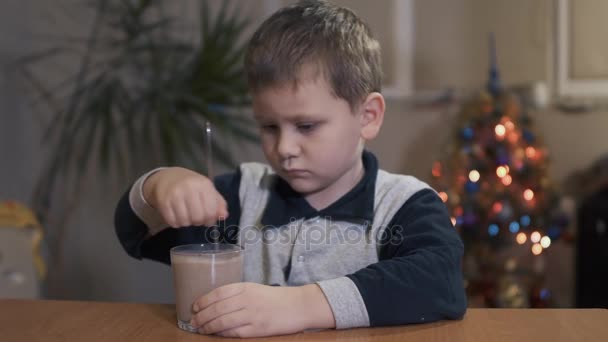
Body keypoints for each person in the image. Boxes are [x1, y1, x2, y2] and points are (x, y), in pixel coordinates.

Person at [114, 0, 466, 338]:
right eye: (269, 127)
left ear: (367, 117)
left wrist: (300, 305)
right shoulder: (240, 196)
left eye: (307, 126)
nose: (283, 149)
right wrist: (157, 188)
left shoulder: (404, 204)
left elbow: (440, 282)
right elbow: (135, 235)